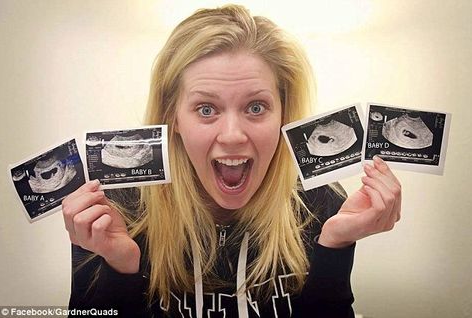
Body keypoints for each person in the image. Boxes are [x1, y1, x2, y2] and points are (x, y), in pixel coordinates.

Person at [63, 5, 401, 318]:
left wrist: (335, 248)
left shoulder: (321, 200)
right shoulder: (116, 211)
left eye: (256, 107)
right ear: (173, 118)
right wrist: (120, 267)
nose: (233, 135)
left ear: (283, 114)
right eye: (206, 109)